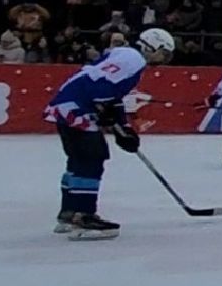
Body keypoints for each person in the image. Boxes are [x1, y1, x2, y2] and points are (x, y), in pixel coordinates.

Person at [43, 28, 176, 239]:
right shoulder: (135, 61)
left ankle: (69, 212)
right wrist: (111, 118)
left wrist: (123, 127)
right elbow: (102, 88)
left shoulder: (123, 54)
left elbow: (110, 94)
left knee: (78, 160)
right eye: (164, 53)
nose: (165, 59)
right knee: (92, 158)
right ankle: (84, 216)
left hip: (67, 105)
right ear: (152, 46)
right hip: (79, 108)